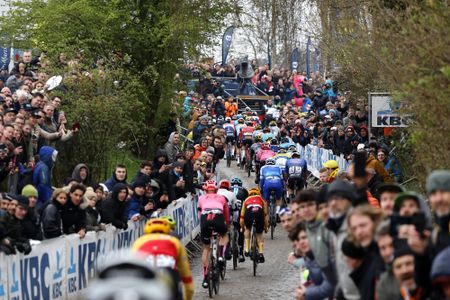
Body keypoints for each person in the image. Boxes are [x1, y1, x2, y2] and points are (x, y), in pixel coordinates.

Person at [132, 218, 194, 300]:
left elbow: (133, 269)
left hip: (147, 279)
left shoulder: (139, 242)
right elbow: (186, 274)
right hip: (169, 277)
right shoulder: (175, 242)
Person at [325, 179, 360, 299]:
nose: (334, 203)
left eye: (339, 199)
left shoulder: (357, 225)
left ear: (350, 200)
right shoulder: (334, 225)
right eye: (331, 199)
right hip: (344, 290)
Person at [197, 180, 229, 288]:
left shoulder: (201, 198)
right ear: (216, 190)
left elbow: (199, 214)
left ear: (205, 190)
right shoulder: (222, 198)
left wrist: (202, 226)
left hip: (205, 219)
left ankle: (205, 278)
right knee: (224, 235)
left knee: (206, 248)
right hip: (218, 216)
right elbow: (226, 214)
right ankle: (220, 256)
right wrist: (227, 224)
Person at [240, 187, 268, 263]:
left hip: (249, 214)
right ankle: (261, 253)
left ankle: (246, 249)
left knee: (248, 229)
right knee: (259, 234)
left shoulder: (246, 200)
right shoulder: (262, 200)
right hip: (259, 214)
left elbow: (242, 216)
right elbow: (265, 215)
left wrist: (242, 228)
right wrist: (266, 227)